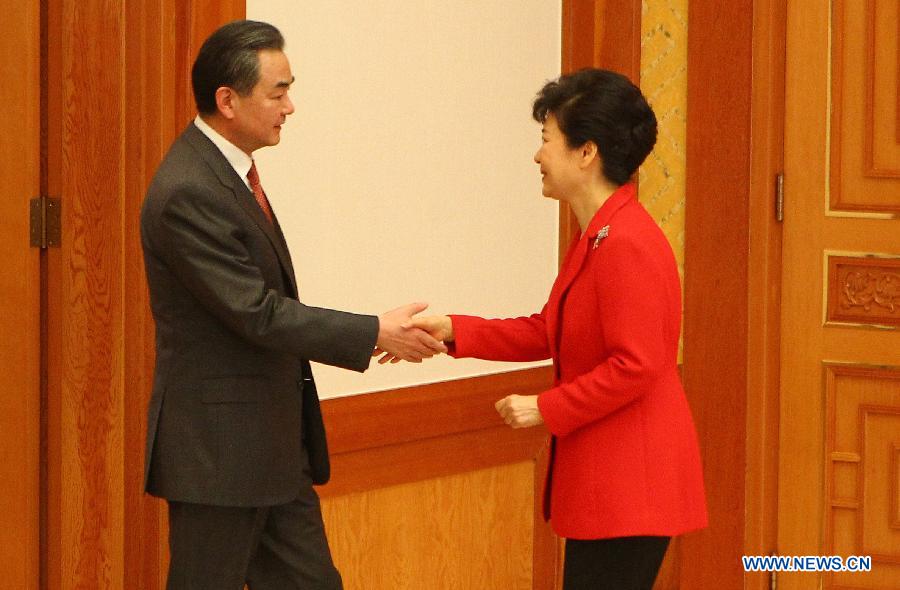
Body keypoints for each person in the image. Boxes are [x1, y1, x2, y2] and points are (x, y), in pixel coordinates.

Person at [140, 20, 445, 590]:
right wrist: (373, 331)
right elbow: (257, 312)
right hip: (220, 455)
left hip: (273, 449)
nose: (290, 107)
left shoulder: (226, 174)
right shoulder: (189, 188)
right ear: (227, 101)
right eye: (277, 92)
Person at [401, 69, 707, 589]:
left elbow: (637, 365)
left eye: (547, 139)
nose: (537, 156)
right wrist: (453, 329)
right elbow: (552, 330)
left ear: (586, 152)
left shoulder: (625, 242)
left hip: (633, 486)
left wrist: (545, 407)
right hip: (612, 484)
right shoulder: (599, 233)